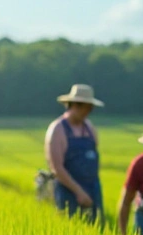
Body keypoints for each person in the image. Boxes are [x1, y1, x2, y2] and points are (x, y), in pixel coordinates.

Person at [45, 84, 105, 222]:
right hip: (69, 192)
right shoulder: (58, 130)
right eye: (86, 108)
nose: (89, 112)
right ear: (75, 105)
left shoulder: (90, 128)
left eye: (90, 108)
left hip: (93, 188)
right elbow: (56, 168)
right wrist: (79, 192)